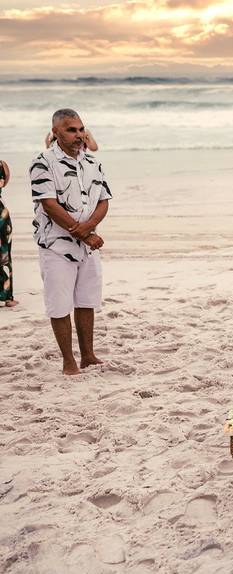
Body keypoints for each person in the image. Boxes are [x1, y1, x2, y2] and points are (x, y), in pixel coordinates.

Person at [30, 109, 113, 375]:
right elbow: (50, 205)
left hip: (88, 248)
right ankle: (69, 362)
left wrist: (89, 229)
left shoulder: (92, 162)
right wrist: (86, 233)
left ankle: (88, 356)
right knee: (60, 303)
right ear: (55, 132)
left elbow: (103, 200)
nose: (78, 135)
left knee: (87, 300)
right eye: (71, 130)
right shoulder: (42, 162)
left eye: (80, 129)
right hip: (56, 246)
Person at [0, 159, 15, 307]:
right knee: (4, 253)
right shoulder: (1, 164)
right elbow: (5, 180)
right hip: (1, 213)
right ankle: (7, 297)